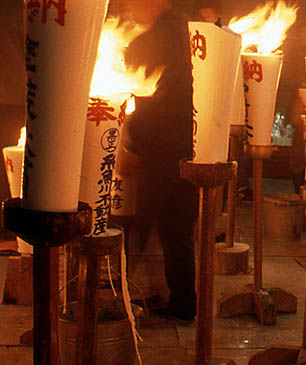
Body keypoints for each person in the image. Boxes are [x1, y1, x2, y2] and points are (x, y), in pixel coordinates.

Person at [118, 0, 197, 322]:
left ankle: (123, 297)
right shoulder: (191, 35)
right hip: (190, 145)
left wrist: (132, 147)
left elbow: (146, 102)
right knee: (177, 232)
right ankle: (182, 302)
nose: (128, 6)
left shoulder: (151, 41)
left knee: (138, 227)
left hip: (158, 152)